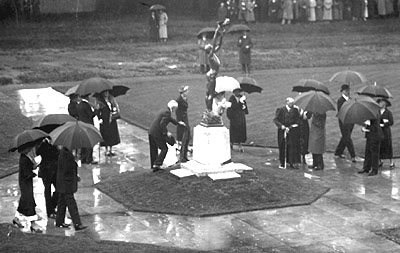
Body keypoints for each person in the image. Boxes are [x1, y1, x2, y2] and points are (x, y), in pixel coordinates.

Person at [12, 143, 43, 233]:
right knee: (29, 200)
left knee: (24, 199)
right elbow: (27, 173)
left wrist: (34, 166)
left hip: (25, 182)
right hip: (25, 182)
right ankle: (33, 223)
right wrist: (33, 172)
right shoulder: (24, 159)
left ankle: (16, 218)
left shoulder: (26, 157)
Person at [55, 146, 87, 231]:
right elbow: (68, 168)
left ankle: (59, 221)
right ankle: (77, 223)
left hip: (63, 183)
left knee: (62, 202)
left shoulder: (64, 153)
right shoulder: (66, 154)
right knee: (71, 204)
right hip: (66, 184)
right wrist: (74, 163)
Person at [148, 100, 185, 172]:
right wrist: (167, 132)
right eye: (175, 109)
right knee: (164, 148)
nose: (175, 110)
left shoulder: (165, 110)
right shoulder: (167, 112)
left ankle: (154, 165)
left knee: (153, 149)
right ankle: (157, 164)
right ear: (173, 108)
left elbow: (169, 119)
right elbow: (162, 124)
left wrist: (178, 123)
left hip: (152, 131)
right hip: (157, 133)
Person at [204, 18, 230, 112]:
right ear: (209, 49)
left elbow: (218, 45)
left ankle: (208, 109)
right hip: (211, 76)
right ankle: (209, 110)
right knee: (210, 94)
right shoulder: (210, 55)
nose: (212, 47)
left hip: (212, 75)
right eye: (211, 47)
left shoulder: (212, 53)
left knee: (209, 93)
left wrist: (222, 36)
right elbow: (214, 43)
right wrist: (217, 30)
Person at [273, 97, 301, 169]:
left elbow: (297, 120)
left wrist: (292, 126)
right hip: (282, 131)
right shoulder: (281, 110)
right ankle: (282, 162)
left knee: (291, 146)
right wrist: (281, 126)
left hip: (291, 131)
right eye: (290, 103)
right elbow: (276, 119)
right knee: (282, 146)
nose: (292, 104)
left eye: (292, 103)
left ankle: (291, 161)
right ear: (287, 102)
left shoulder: (295, 110)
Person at [36, 138, 59, 219]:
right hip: (46, 171)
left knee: (59, 189)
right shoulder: (43, 145)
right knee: (47, 190)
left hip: (55, 171)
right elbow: (37, 153)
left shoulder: (55, 145)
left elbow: (57, 156)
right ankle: (50, 211)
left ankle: (52, 205)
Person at [334, 84, 357, 162]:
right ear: (342, 91)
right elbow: (342, 111)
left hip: (351, 121)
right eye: (346, 90)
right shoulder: (340, 101)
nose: (348, 92)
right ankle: (353, 155)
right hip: (344, 122)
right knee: (347, 138)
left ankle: (338, 152)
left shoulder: (350, 99)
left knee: (345, 137)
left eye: (348, 90)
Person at [95, 90, 121, 157]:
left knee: (112, 135)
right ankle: (106, 150)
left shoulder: (112, 101)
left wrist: (114, 113)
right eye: (105, 92)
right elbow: (97, 113)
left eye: (107, 92)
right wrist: (99, 117)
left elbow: (115, 109)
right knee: (106, 135)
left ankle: (110, 149)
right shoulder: (100, 102)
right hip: (105, 121)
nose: (106, 94)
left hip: (112, 121)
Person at [76, 94, 98, 164]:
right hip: (88, 125)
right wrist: (96, 110)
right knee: (89, 143)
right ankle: (89, 159)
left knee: (83, 143)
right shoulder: (86, 105)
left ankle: (83, 158)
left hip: (82, 125)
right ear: (87, 97)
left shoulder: (78, 105)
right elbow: (91, 115)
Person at [378, 98, 394, 168]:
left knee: (388, 146)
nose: (379, 104)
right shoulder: (377, 112)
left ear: (384, 104)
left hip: (386, 132)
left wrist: (384, 124)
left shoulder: (388, 112)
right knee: (380, 145)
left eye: (381, 103)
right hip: (379, 131)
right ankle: (380, 160)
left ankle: (391, 162)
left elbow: (391, 122)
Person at [175, 86, 190, 163]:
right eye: (186, 91)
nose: (188, 92)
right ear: (183, 92)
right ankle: (182, 157)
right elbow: (177, 112)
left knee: (187, 138)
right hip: (182, 121)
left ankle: (184, 156)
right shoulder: (179, 101)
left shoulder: (184, 99)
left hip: (185, 119)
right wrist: (180, 121)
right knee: (183, 138)